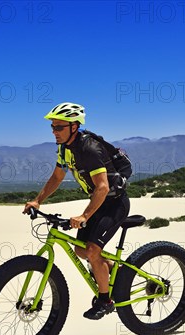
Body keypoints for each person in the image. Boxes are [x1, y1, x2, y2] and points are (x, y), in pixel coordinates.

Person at [23, 102, 130, 320]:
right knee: (81, 251)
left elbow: (103, 187)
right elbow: (57, 177)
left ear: (74, 126)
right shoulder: (65, 149)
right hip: (97, 203)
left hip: (114, 204)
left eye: (58, 127)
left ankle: (105, 301)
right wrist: (38, 201)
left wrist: (84, 216)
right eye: (52, 127)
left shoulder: (89, 149)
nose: (54, 131)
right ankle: (113, 272)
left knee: (91, 251)